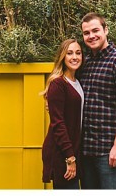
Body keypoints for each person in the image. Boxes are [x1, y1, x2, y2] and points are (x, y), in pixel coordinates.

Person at [78, 12, 116, 189]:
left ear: (106, 30)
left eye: (95, 30)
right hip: (86, 151)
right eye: (86, 33)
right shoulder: (85, 63)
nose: (91, 36)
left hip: (109, 151)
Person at [41, 38, 84, 189]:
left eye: (78, 53)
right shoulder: (58, 84)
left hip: (74, 152)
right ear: (62, 57)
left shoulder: (78, 81)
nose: (74, 57)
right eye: (69, 53)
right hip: (62, 153)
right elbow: (58, 124)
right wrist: (70, 157)